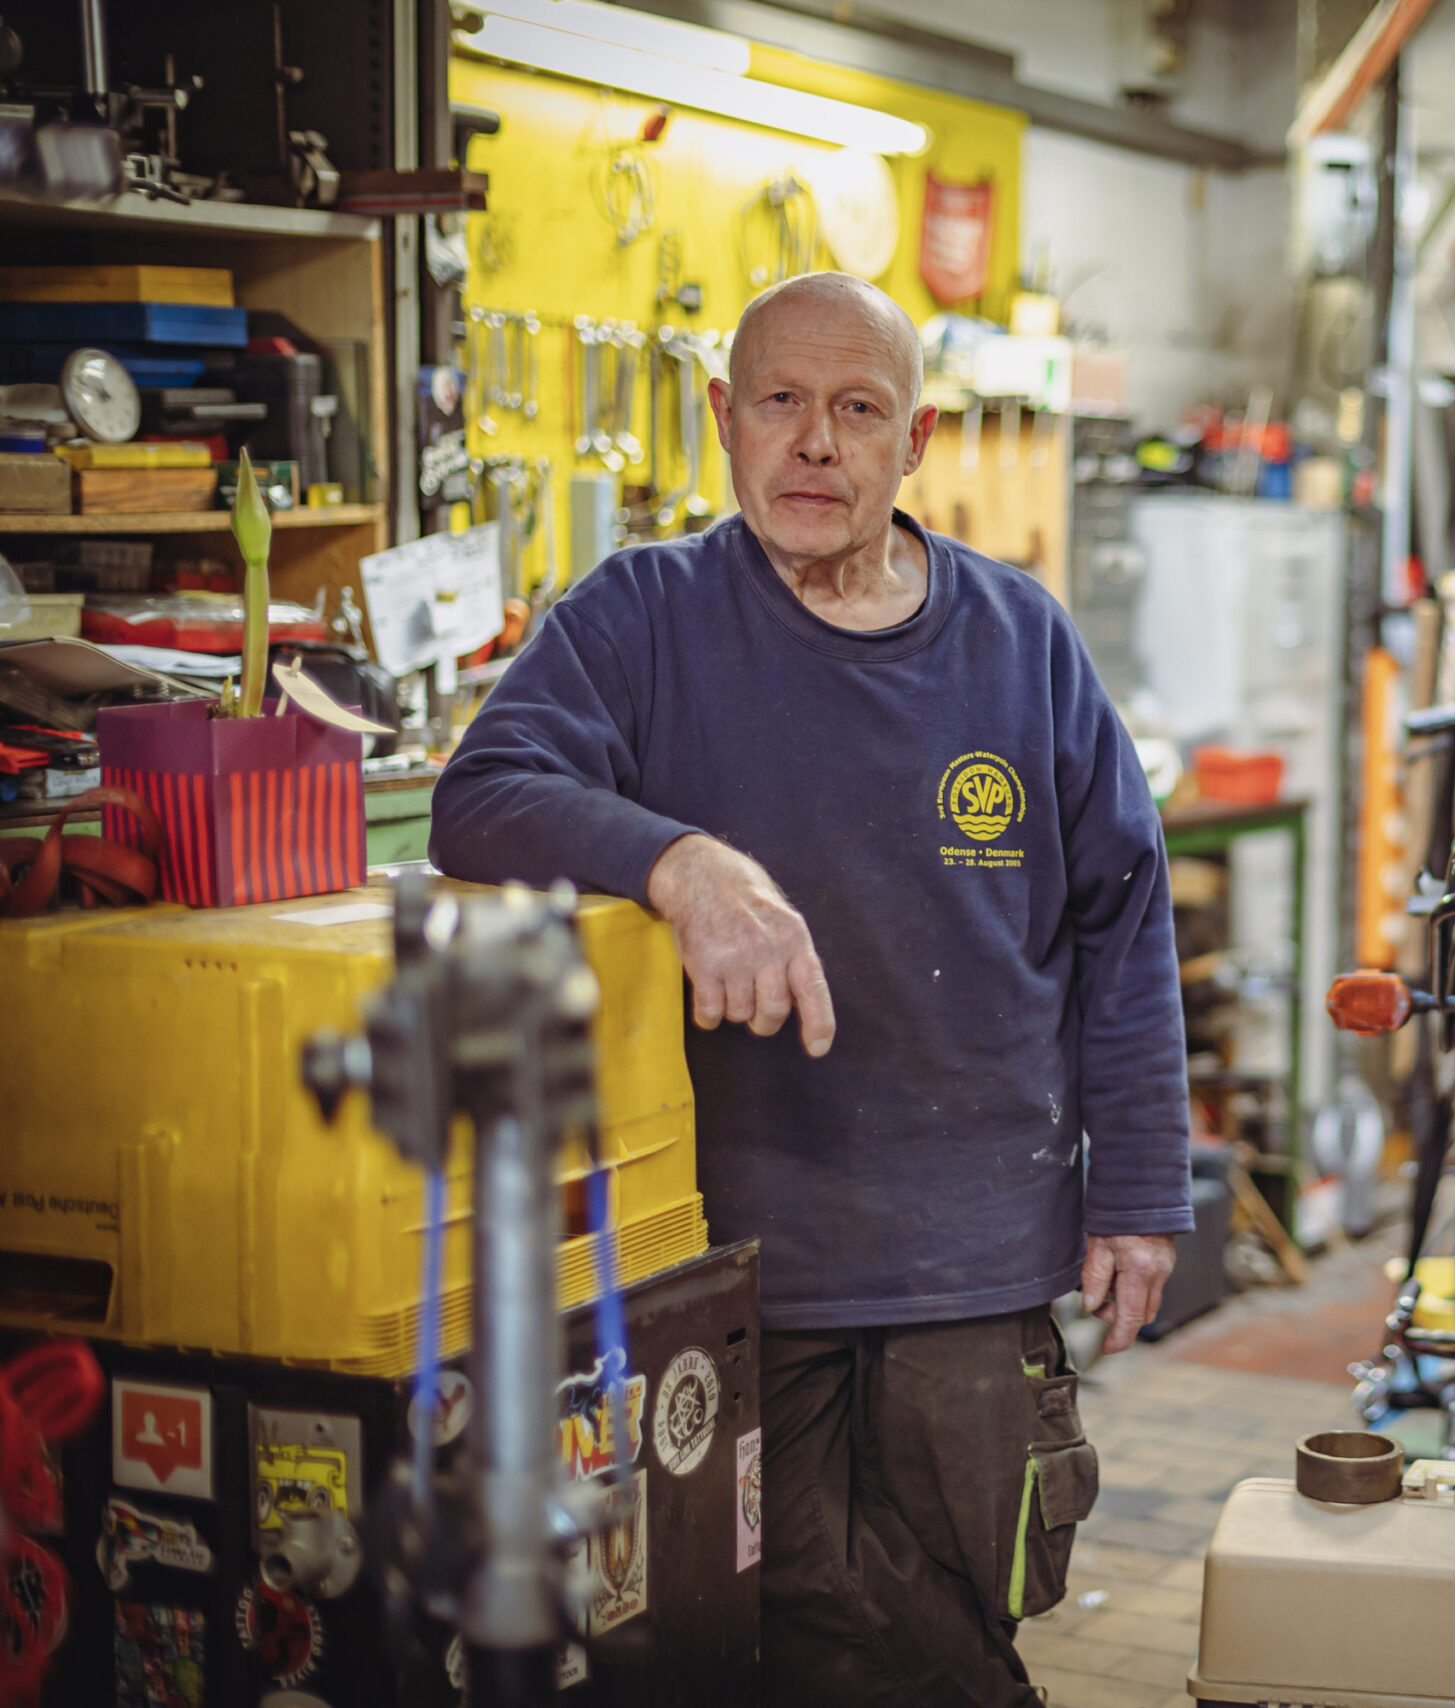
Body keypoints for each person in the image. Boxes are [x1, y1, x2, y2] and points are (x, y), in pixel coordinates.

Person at [430, 271, 1192, 1705]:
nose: (816, 444)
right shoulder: (640, 618)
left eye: (859, 409)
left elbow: (1123, 915)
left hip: (973, 1256)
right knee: (776, 1626)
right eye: (780, 402)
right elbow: (483, 794)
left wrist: (1141, 1187)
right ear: (724, 417)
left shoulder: (1019, 644)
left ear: (917, 443)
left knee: (963, 1595)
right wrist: (677, 859)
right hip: (734, 1257)